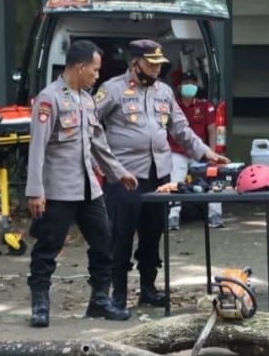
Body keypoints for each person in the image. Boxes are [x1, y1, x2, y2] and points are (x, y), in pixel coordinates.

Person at [94, 39, 230, 309]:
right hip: (124, 176)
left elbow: (181, 128)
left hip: (159, 174)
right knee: (121, 233)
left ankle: (148, 287)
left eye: (159, 65)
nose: (156, 70)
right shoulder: (111, 90)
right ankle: (118, 293)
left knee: (152, 233)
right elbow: (90, 123)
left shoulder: (164, 92)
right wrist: (101, 161)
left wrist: (206, 153)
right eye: (151, 64)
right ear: (135, 64)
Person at [25, 40, 138, 328]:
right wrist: (35, 191)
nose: (97, 75)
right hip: (58, 189)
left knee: (104, 241)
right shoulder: (49, 99)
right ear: (80, 66)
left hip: (89, 187)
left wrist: (118, 172)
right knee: (48, 248)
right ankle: (40, 304)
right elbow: (37, 149)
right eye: (95, 69)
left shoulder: (87, 100)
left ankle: (100, 300)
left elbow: (99, 142)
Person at [167, 70, 224, 230]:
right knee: (175, 178)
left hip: (200, 153)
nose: (190, 86)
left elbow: (212, 130)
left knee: (214, 176)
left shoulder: (204, 105)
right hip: (177, 152)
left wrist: (213, 155)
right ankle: (172, 216)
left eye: (193, 83)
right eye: (186, 83)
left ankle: (215, 214)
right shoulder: (173, 106)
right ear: (178, 87)